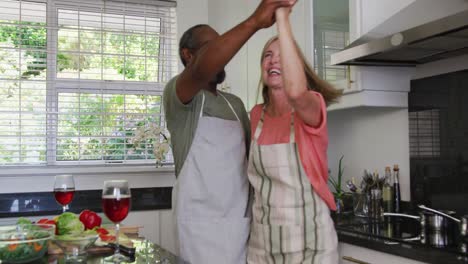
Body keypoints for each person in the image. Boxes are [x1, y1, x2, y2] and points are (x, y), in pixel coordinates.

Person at [163, 1, 296, 263]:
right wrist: (254, 21)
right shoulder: (179, 96)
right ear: (188, 56)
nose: (225, 54)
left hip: (240, 229)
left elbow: (253, 166)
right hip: (199, 232)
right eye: (213, 47)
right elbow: (202, 69)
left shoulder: (235, 105)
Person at [246, 5, 342, 264]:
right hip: (262, 245)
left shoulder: (312, 106)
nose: (273, 60)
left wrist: (281, 17)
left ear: (295, 65)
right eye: (267, 55)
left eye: (281, 55)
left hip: (312, 245)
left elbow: (297, 93)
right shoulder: (255, 116)